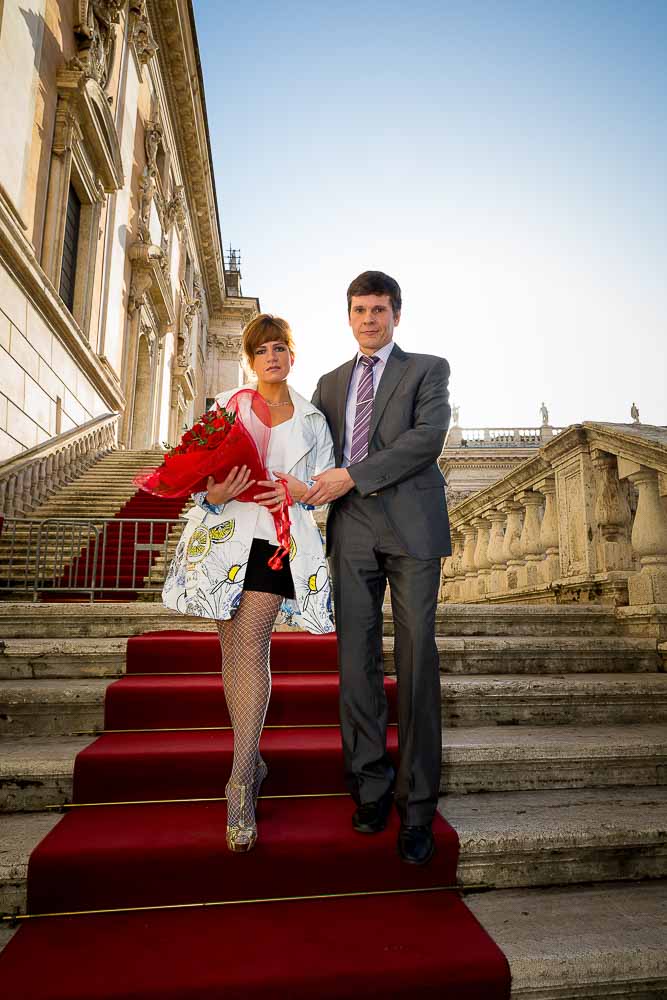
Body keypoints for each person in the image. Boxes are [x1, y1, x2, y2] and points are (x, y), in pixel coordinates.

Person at [163, 314, 335, 852]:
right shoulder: (226, 408)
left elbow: (324, 484)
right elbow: (198, 481)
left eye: (280, 348)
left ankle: (239, 782)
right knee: (231, 648)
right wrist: (215, 494)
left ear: (292, 355)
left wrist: (296, 490)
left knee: (253, 640)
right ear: (250, 359)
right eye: (262, 350)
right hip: (222, 539)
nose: (272, 358)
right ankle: (251, 760)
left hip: (277, 541)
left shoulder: (312, 419)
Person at [303, 271, 451, 865]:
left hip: (412, 527)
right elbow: (309, 451)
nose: (370, 318)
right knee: (355, 660)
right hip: (352, 531)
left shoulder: (427, 369)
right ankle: (369, 788)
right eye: (360, 310)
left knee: (416, 661)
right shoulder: (329, 383)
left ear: (397, 314)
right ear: (348, 316)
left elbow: (427, 440)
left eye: (380, 309)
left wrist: (354, 476)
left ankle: (417, 808)